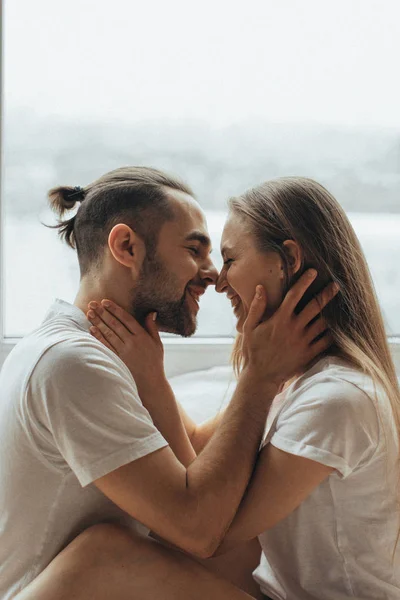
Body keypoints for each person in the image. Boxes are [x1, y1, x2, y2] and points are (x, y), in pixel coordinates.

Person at [0, 167, 335, 600]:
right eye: (195, 249)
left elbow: (198, 453)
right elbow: (198, 531)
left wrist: (284, 367)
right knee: (109, 552)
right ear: (126, 247)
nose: (213, 275)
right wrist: (259, 376)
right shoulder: (72, 364)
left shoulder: (94, 351)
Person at [85, 177, 400, 599]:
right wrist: (150, 375)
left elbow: (205, 533)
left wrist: (257, 378)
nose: (218, 281)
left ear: (287, 258)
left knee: (102, 555)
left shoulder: (337, 399)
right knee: (102, 553)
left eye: (230, 258)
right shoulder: (297, 382)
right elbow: (200, 451)